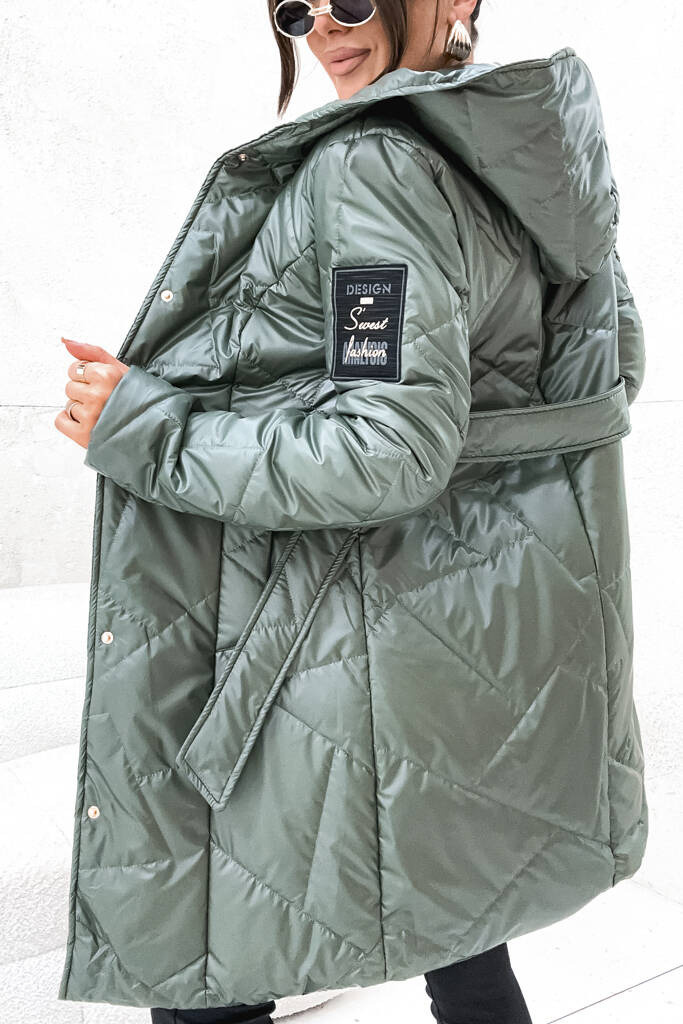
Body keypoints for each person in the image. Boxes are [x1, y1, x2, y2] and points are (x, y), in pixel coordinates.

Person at [55, 2, 648, 1023]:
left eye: (357, 2)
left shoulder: (372, 163)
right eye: (296, 8)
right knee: (462, 923)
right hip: (465, 634)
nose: (325, 28)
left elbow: (386, 448)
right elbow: (605, 374)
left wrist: (144, 427)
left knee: (213, 961)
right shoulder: (528, 154)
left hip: (338, 643)